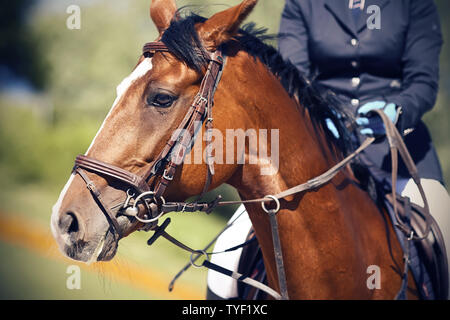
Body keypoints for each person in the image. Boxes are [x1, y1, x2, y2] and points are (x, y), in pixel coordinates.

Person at [206, 0, 450, 299]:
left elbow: (424, 81)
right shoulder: (303, 5)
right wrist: (322, 119)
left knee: (446, 233)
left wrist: (397, 111)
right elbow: (293, 76)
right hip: (322, 148)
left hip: (399, 154)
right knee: (227, 250)